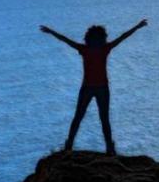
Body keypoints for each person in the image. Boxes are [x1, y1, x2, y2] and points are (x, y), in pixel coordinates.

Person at [40, 19, 148, 155]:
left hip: (92, 88)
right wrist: (137, 26)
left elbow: (65, 40)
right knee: (98, 118)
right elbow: (122, 37)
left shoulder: (86, 49)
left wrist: (137, 26)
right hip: (97, 88)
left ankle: (72, 145)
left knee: (83, 117)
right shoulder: (101, 49)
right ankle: (106, 147)